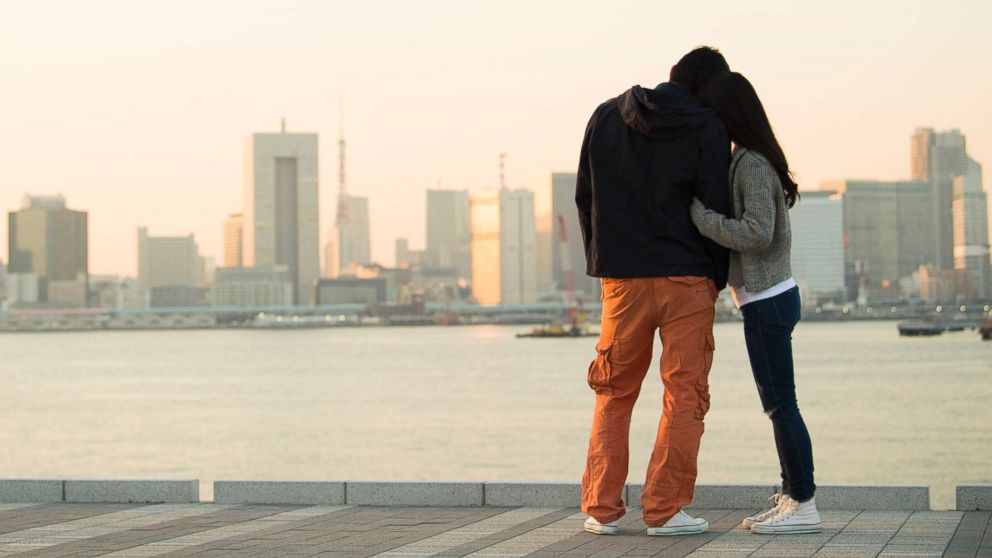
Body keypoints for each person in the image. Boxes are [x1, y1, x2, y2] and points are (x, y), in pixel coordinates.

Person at [575, 46, 731, 537]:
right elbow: (716, 205)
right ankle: (664, 511)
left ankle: (601, 509)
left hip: (622, 280)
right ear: (707, 86)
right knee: (685, 393)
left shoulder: (605, 116)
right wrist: (716, 277)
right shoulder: (708, 125)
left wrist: (604, 263)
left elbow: (586, 196)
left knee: (613, 392)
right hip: (686, 277)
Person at [689, 71, 821, 534]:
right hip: (766, 299)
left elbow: (757, 232)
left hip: (767, 302)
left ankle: (803, 503)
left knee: (781, 405)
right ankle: (792, 494)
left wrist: (701, 218)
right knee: (780, 403)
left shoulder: (751, 164)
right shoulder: (749, 159)